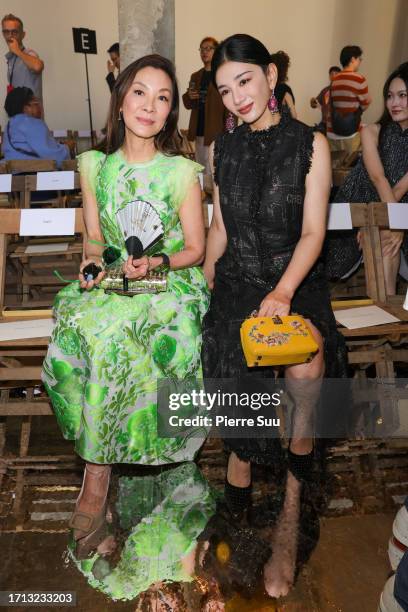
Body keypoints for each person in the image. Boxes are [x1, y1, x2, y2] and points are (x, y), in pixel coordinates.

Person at [41, 54, 210, 560]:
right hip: (116, 279)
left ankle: (129, 468)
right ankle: (98, 467)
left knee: (143, 335)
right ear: (120, 100)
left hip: (170, 281)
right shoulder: (95, 166)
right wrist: (92, 268)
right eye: (140, 92)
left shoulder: (182, 171)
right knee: (88, 331)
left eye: (163, 98)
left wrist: (158, 260)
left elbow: (196, 251)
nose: (150, 106)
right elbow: (94, 242)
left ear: (170, 112)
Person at [202, 33, 347, 599]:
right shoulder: (223, 150)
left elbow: (313, 233)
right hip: (238, 283)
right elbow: (220, 231)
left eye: (245, 81)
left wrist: (284, 291)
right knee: (236, 361)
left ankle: (291, 503)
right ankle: (237, 496)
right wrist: (205, 286)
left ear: (268, 75)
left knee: (307, 369)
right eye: (225, 90)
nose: (237, 97)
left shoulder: (311, 143)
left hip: (296, 285)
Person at [324, 62, 408, 295]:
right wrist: (384, 221)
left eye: (403, 95)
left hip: (395, 209)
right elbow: (378, 177)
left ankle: (386, 318)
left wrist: (390, 221)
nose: (395, 103)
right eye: (390, 96)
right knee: (381, 233)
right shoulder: (371, 131)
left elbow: (401, 187)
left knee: (382, 231)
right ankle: (383, 318)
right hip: (357, 205)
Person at [182, 37, 228, 174]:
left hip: (217, 132)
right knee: (201, 169)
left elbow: (230, 106)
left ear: (216, 51)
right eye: (202, 49)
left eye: (208, 48)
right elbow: (188, 104)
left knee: (215, 171)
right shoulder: (195, 76)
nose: (204, 52)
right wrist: (188, 96)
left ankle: (215, 196)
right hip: (199, 131)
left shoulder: (223, 74)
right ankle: (201, 195)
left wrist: (230, 133)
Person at [3, 86, 73, 165]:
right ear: (25, 108)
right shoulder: (32, 123)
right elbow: (53, 156)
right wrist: (67, 148)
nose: (40, 107)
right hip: (33, 173)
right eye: (36, 103)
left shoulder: (9, 125)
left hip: (11, 173)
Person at [326, 45, 371, 153]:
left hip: (332, 131)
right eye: (359, 59)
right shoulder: (359, 79)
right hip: (350, 133)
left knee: (334, 166)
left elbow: (329, 102)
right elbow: (366, 103)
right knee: (350, 167)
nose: (360, 62)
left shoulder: (334, 80)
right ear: (352, 59)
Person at [2, 13, 44, 101]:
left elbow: (38, 66)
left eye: (14, 32)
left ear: (23, 34)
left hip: (30, 114)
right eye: (6, 32)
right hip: (16, 113)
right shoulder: (11, 58)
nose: (10, 36)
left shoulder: (29, 53)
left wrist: (17, 51)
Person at [310, 65, 341, 133]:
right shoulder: (325, 91)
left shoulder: (342, 91)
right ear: (329, 76)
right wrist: (313, 101)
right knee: (313, 135)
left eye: (336, 74)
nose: (333, 76)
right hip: (324, 123)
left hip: (337, 125)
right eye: (331, 74)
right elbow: (314, 104)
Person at [269, 50, 297, 119]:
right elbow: (294, 115)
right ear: (284, 70)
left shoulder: (264, 88)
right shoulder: (284, 90)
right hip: (282, 128)